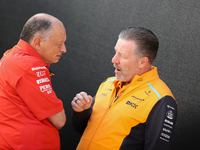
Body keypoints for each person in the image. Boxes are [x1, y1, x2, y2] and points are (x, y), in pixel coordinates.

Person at [71, 27, 178, 150]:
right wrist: (81, 112)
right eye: (115, 52)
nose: (114, 59)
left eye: (122, 56)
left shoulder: (161, 99)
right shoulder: (108, 83)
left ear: (142, 62)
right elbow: (86, 131)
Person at [0, 13, 67, 149]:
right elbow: (59, 120)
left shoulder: (10, 55)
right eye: (59, 44)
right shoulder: (30, 66)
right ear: (37, 42)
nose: (64, 49)